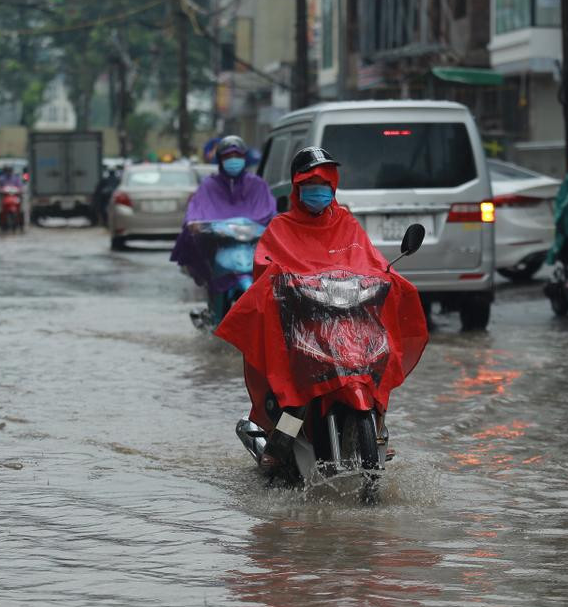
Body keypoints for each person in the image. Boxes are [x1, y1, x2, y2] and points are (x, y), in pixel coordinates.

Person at [215, 146, 429, 448]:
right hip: (304, 328)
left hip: (351, 326)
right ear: (297, 187)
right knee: (298, 391)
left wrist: (386, 277)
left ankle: (377, 425)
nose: (319, 191)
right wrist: (284, 284)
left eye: (325, 185)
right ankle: (280, 442)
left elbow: (371, 262)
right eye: (311, 186)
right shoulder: (280, 228)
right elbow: (265, 269)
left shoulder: (347, 223)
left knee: (379, 360)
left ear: (334, 186)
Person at [170, 136, 277, 286]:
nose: (233, 160)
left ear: (244, 158)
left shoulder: (257, 184)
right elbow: (196, 211)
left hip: (251, 246)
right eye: (228, 156)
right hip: (218, 244)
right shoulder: (209, 185)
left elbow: (270, 211)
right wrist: (194, 224)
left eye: (237, 156)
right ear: (220, 159)